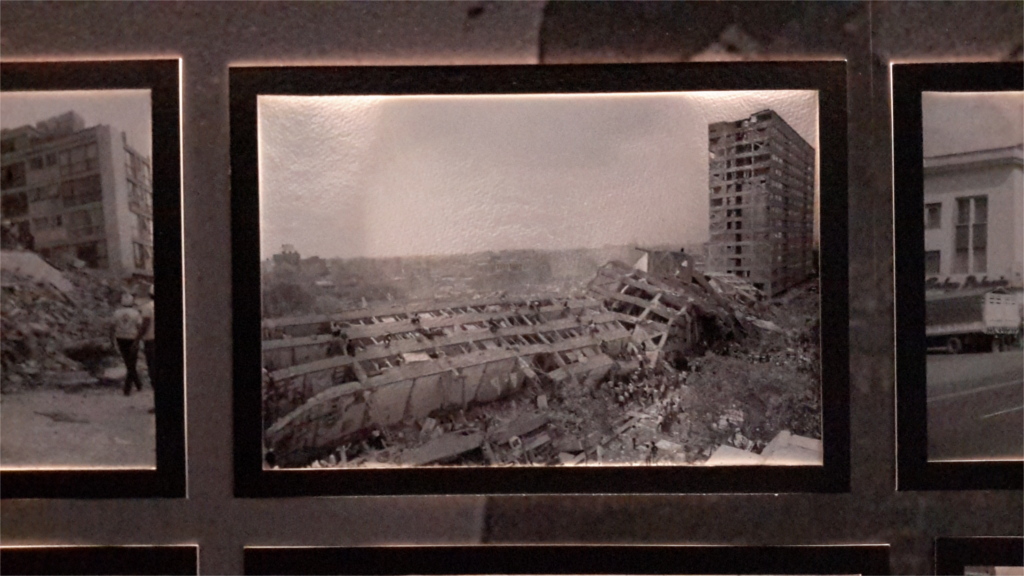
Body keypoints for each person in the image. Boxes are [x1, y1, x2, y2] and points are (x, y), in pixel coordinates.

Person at [111, 292, 144, 395]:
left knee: (128, 363)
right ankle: (128, 388)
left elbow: (112, 327)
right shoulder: (136, 313)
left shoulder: (116, 313)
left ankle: (138, 384)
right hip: (132, 338)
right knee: (132, 363)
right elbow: (139, 327)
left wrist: (112, 340)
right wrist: (139, 340)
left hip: (120, 338)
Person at [139, 285, 156, 389]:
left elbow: (145, 325)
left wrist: (137, 340)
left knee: (152, 366)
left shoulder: (147, 307)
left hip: (150, 340)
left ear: (150, 294)